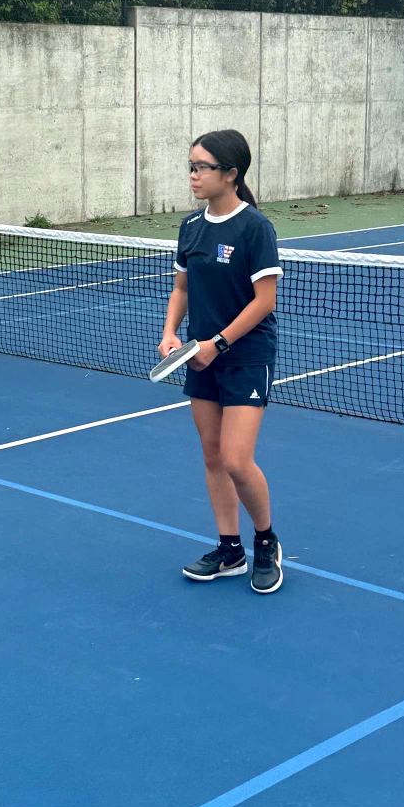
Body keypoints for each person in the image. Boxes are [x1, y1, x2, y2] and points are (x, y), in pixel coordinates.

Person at [158, 130, 284, 593]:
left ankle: (266, 542)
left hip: (245, 356)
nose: (193, 175)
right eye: (190, 166)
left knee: (235, 458)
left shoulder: (255, 228)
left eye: (202, 167)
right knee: (212, 456)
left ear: (230, 174)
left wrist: (219, 343)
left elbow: (264, 301)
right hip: (199, 358)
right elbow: (181, 289)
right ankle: (230, 550)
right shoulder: (191, 227)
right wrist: (172, 333)